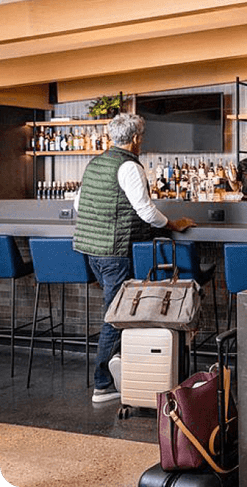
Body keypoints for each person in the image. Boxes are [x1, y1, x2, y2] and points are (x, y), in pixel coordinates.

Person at [73, 113, 196, 404]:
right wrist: (173, 224)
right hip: (116, 251)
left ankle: (121, 367)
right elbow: (146, 211)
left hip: (92, 250)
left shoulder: (95, 163)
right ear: (137, 138)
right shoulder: (129, 165)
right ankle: (103, 383)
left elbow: (78, 204)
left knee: (118, 312)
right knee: (116, 317)